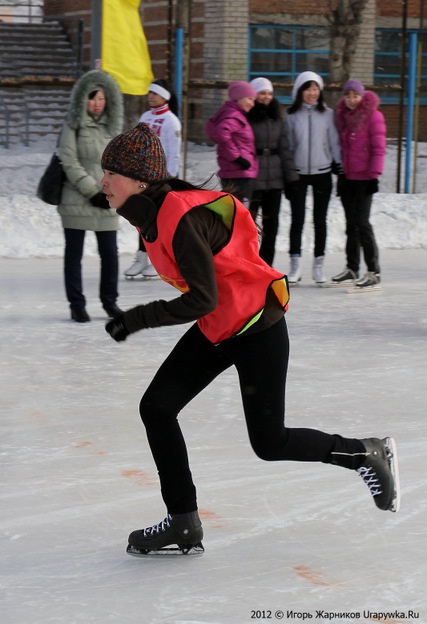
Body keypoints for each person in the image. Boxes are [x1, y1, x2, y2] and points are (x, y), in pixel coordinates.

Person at [101, 123, 400, 556]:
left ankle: (364, 453)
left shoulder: (179, 218)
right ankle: (183, 522)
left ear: (140, 181)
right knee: (157, 407)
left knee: (270, 442)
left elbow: (202, 298)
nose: (103, 181)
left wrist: (136, 319)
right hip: (221, 326)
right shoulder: (152, 213)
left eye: (111, 173)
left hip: (257, 325)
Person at [57, 69, 124, 323]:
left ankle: (110, 302)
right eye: (92, 97)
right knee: (74, 254)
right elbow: (69, 161)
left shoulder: (112, 128)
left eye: (102, 98)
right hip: (76, 198)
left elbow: (119, 164)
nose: (97, 103)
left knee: (110, 253)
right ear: (82, 99)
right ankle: (77, 305)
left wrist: (113, 192)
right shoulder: (72, 126)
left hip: (106, 199)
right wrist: (92, 191)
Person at [283, 71, 343, 285]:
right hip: (298, 174)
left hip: (322, 173)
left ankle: (319, 265)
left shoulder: (328, 114)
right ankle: (295, 264)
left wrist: (338, 165)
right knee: (297, 220)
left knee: (320, 220)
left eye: (316, 89)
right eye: (308, 89)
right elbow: (287, 146)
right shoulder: (290, 115)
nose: (312, 93)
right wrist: (288, 174)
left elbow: (334, 142)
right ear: (299, 91)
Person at [124, 79, 182, 279]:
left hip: (162, 179)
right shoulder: (145, 117)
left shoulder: (171, 121)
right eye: (149, 93)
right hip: (143, 176)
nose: (150, 96)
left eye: (154, 93)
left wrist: (169, 178)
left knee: (159, 221)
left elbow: (174, 153)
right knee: (142, 218)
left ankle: (162, 261)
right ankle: (142, 258)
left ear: (164, 96)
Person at [331, 79, 386, 289]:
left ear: (362, 96)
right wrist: (339, 168)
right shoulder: (342, 116)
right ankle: (352, 267)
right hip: (347, 178)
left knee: (363, 224)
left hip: (365, 178)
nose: (351, 100)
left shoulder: (374, 116)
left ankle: (373, 271)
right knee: (351, 225)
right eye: (348, 96)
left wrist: (374, 175)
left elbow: (378, 148)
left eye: (355, 96)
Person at [247, 77, 298, 266]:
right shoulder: (247, 116)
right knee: (249, 225)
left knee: (271, 226)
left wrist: (291, 179)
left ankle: (266, 265)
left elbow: (285, 149)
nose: (266, 97)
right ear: (254, 95)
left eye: (269, 93)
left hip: (275, 180)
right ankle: (248, 263)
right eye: (262, 93)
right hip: (254, 178)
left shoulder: (278, 117)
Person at [205, 80, 258, 204]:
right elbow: (221, 133)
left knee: (233, 209)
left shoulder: (232, 113)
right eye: (250, 99)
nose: (252, 104)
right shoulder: (234, 115)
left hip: (235, 170)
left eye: (254, 100)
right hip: (239, 172)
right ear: (238, 98)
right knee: (239, 210)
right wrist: (237, 158)